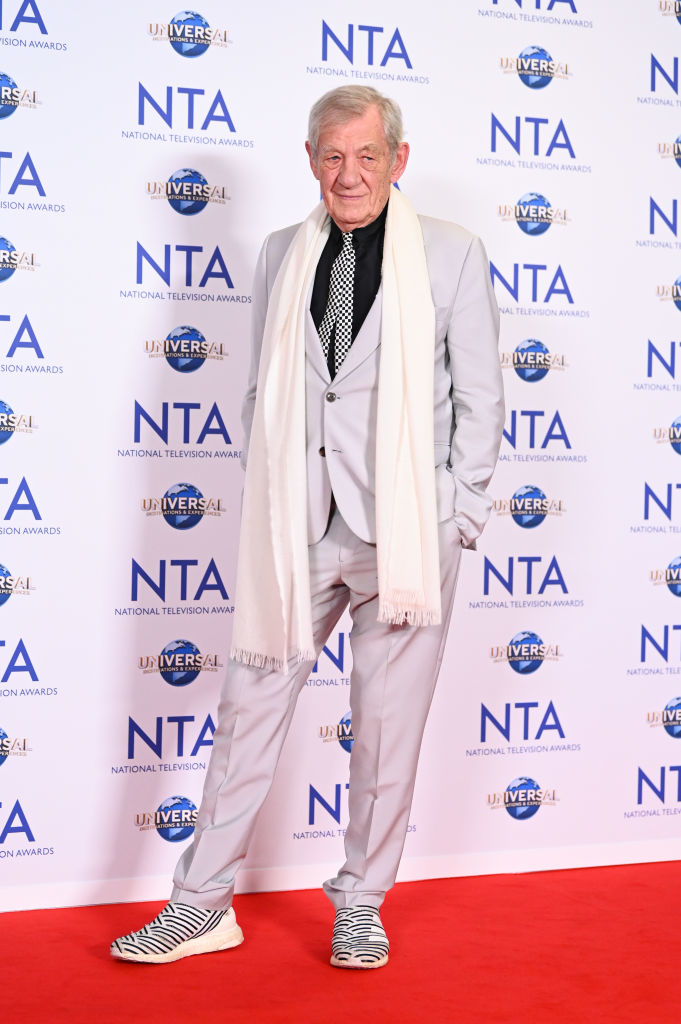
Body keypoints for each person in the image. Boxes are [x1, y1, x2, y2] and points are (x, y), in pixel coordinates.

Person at [111, 85, 504, 970]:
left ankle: (360, 902)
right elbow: (264, 391)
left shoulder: (451, 254)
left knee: (385, 726)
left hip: (404, 537)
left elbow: (481, 401)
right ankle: (201, 903)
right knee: (246, 713)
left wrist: (455, 518)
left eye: (367, 155)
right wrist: (273, 496)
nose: (349, 173)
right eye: (332, 155)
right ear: (310, 160)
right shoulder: (283, 253)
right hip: (292, 536)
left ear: (398, 161)